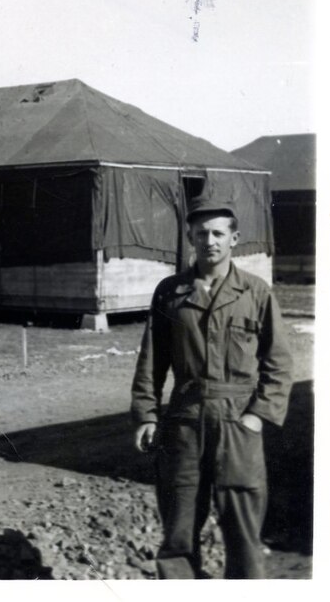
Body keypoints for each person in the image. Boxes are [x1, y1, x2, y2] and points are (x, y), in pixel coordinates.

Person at [131, 195, 293, 579]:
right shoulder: (170, 292)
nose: (210, 241)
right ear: (191, 237)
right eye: (201, 233)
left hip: (238, 420)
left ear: (234, 238)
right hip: (184, 421)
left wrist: (258, 416)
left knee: (243, 530)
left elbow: (280, 361)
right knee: (179, 529)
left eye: (219, 233)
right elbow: (152, 360)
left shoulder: (255, 292)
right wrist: (146, 415)